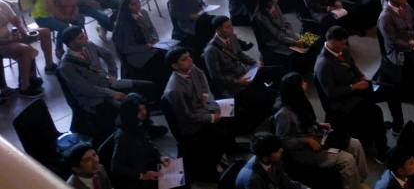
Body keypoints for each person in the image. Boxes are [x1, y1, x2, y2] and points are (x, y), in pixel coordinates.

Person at [314, 26, 402, 158]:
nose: (344, 46)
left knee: (391, 90)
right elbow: (331, 93)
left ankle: (397, 127)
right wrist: (354, 87)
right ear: (332, 41)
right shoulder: (323, 64)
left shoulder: (342, 50)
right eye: (341, 43)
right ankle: (382, 151)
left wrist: (362, 76)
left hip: (359, 87)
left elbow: (353, 66)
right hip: (345, 100)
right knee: (376, 112)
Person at [58, 26, 157, 139]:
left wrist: (112, 74)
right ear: (71, 44)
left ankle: (147, 124)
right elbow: (85, 89)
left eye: (83, 35)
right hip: (95, 99)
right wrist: (112, 93)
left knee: (146, 87)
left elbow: (108, 56)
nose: (85, 37)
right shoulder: (66, 66)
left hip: (108, 83)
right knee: (127, 109)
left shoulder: (89, 45)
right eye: (80, 38)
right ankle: (141, 133)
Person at [273, 73, 368, 189]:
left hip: (317, 137)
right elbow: (283, 141)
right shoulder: (283, 114)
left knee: (355, 144)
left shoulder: (299, 99)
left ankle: (359, 181)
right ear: (295, 89)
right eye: (302, 83)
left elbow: (307, 120)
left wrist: (319, 124)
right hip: (305, 150)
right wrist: (306, 140)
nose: (306, 84)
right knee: (347, 160)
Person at [162, 47, 237, 183]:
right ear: (175, 66)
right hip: (191, 125)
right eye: (184, 59)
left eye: (189, 56)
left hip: (205, 108)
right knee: (219, 135)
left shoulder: (193, 69)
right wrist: (211, 117)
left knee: (232, 114)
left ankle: (229, 151)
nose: (190, 60)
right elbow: (187, 116)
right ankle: (208, 169)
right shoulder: (174, 90)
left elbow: (206, 90)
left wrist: (213, 108)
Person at [110, 93, 172, 189]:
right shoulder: (123, 136)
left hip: (144, 166)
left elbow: (148, 144)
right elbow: (116, 167)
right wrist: (142, 175)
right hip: (135, 177)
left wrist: (160, 157)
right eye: (139, 110)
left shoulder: (139, 124)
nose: (144, 112)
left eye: (144, 108)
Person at [0, 0, 52, 96]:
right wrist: (11, 41)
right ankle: (25, 87)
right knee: (26, 50)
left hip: (10, 37)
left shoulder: (1, 3)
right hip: (2, 44)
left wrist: (24, 32)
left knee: (45, 31)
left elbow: (17, 22)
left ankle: (49, 66)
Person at [235, 133, 309, 189]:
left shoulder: (273, 160)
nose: (281, 150)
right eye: (276, 150)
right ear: (265, 156)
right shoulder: (252, 179)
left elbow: (285, 181)